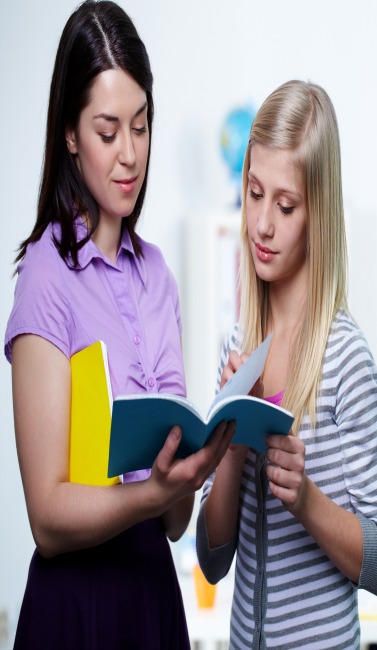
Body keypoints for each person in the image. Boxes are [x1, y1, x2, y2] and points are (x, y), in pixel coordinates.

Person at [4, 2, 234, 647]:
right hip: (76, 606)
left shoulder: (158, 277)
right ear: (71, 134)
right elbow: (47, 518)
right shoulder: (46, 276)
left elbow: (174, 521)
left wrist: (192, 465)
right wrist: (150, 493)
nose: (130, 154)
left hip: (151, 597)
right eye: (109, 132)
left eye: (142, 125)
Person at [196, 79, 377, 649]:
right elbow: (212, 561)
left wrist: (305, 498)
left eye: (284, 205)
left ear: (318, 214)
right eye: (253, 194)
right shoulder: (241, 344)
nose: (261, 224)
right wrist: (234, 447)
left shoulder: (346, 360)